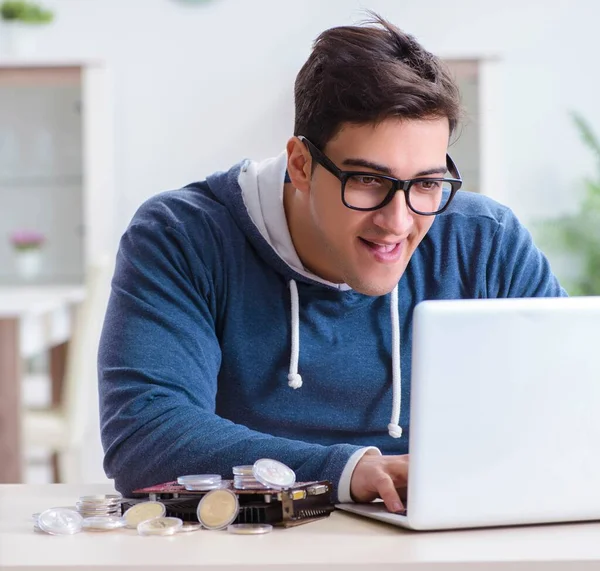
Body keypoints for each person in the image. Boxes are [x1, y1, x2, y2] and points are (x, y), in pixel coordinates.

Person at [98, 14, 566, 514]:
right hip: (259, 546)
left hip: (443, 534)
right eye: (368, 180)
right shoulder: (183, 237)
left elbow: (572, 402)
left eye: (427, 183)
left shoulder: (484, 241)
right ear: (301, 164)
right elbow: (145, 434)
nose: (398, 221)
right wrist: (348, 472)